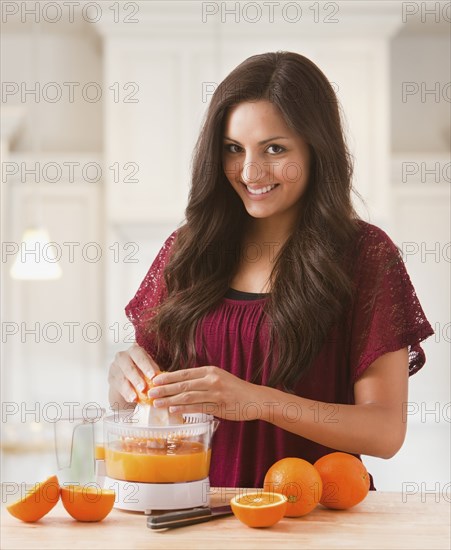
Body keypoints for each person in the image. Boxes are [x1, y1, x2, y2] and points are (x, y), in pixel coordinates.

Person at [108, 51, 434, 490]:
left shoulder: (366, 254)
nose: (249, 171)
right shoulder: (187, 250)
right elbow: (149, 406)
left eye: (274, 149)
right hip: (196, 520)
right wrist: (120, 385)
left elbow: (384, 432)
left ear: (316, 150)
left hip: (321, 520)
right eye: (233, 149)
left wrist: (257, 401)